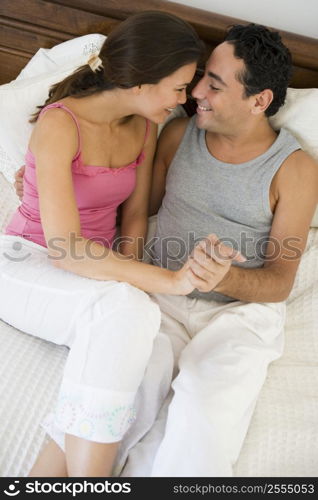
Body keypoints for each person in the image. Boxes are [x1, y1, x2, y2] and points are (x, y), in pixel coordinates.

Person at [12, 23, 318, 477]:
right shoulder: (175, 135)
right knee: (119, 390)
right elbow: (130, 207)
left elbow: (278, 283)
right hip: (161, 298)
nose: (196, 93)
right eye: (197, 80)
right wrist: (45, 184)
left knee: (204, 416)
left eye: (213, 84)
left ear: (259, 101)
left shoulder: (294, 169)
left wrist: (222, 277)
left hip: (239, 313)